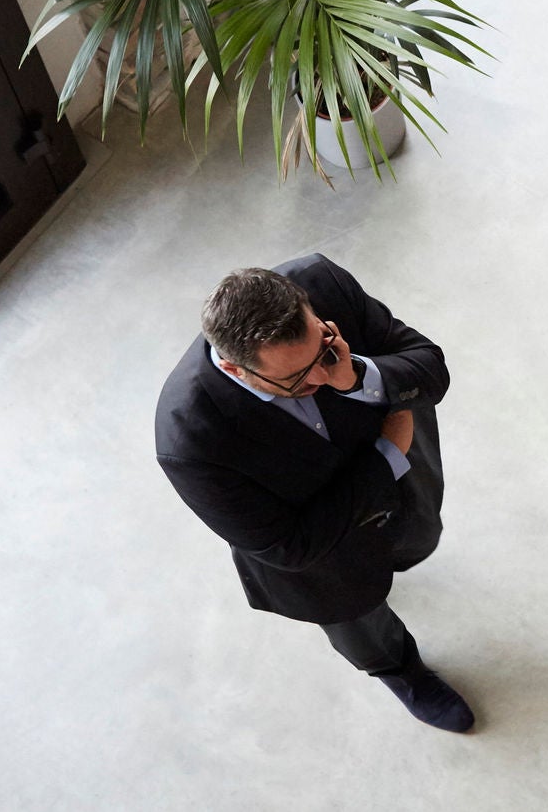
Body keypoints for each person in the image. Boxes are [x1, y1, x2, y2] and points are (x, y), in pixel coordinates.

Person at [155, 256, 472, 732]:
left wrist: (356, 376)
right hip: (321, 559)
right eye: (297, 380)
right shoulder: (189, 442)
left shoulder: (321, 283)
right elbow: (290, 546)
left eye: (324, 349)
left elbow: (428, 368)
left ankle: (395, 560)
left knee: (418, 540)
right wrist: (387, 455)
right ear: (238, 372)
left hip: (403, 483)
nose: (323, 377)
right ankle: (403, 674)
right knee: (363, 624)